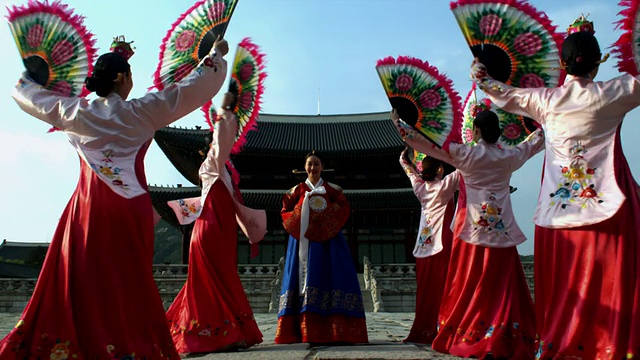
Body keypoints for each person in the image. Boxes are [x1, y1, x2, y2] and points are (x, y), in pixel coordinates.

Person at [0, 36, 229, 359]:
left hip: (88, 206)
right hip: (129, 205)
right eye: (130, 75)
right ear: (121, 78)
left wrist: (32, 74)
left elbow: (25, 94)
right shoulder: (144, 111)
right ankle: (129, 347)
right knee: (129, 280)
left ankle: (76, 346)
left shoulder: (74, 110)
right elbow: (193, 88)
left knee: (80, 279)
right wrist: (215, 53)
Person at [471, 16, 640, 359]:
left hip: (558, 208)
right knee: (612, 278)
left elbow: (503, 94)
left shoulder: (544, 100)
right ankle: (613, 346)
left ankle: (564, 339)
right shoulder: (615, 92)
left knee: (566, 282)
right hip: (609, 202)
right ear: (598, 62)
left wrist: (481, 75)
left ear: (562, 64)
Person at [392, 109, 543, 359]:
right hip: (501, 229)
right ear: (499, 132)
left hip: (471, 229)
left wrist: (399, 122)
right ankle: (505, 330)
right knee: (503, 284)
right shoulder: (509, 156)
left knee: (471, 283)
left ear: (477, 132)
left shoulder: (466, 154)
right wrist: (535, 123)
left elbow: (426, 144)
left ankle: (470, 329)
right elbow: (535, 143)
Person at [165, 92, 266, 354]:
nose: (226, 145)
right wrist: (226, 112)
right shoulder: (212, 162)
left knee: (219, 277)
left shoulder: (223, 173)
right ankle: (207, 334)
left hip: (220, 228)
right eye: (220, 143)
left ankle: (223, 331)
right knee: (213, 279)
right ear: (211, 147)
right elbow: (221, 141)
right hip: (211, 228)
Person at [274, 151, 368, 345]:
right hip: (303, 241)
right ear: (304, 167)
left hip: (329, 242)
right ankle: (299, 330)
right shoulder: (296, 190)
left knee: (332, 276)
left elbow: (343, 208)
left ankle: (336, 329)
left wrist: (325, 216)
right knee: (300, 279)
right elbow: (285, 210)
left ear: (322, 167)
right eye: (309, 164)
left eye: (316, 164)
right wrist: (301, 213)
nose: (312, 168)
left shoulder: (333, 189)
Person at [399, 149, 459, 345]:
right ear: (440, 169)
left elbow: (408, 169)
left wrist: (405, 153)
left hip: (424, 245)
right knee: (445, 288)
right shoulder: (445, 186)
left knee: (426, 290)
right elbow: (464, 167)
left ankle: (424, 328)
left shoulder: (420, 189)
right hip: (444, 243)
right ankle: (444, 326)